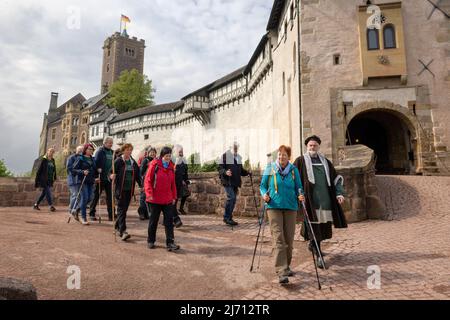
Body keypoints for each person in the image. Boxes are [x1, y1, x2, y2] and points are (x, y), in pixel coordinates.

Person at [293, 135, 347, 269]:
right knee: (314, 225)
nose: (312, 147)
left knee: (323, 226)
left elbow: (336, 178)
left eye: (315, 145)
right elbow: (292, 178)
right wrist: (296, 194)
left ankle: (313, 244)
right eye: (310, 145)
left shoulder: (325, 162)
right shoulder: (300, 161)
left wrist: (339, 193)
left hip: (325, 200)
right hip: (310, 200)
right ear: (307, 147)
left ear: (318, 147)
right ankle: (318, 255)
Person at [260, 145, 304, 284]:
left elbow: (299, 187)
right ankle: (281, 271)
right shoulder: (270, 168)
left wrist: (301, 194)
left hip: (291, 207)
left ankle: (287, 266)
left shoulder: (293, 170)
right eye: (279, 154)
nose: (281, 157)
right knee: (278, 238)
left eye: (284, 155)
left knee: (289, 240)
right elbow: (262, 186)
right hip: (273, 206)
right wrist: (264, 195)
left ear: (288, 157)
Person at [145, 146, 180, 252]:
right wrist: (149, 193)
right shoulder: (155, 165)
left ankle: (170, 243)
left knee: (169, 221)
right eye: (166, 156)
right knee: (153, 221)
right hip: (154, 199)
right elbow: (148, 180)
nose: (168, 158)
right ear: (162, 156)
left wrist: (174, 196)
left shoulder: (171, 166)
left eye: (170, 156)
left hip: (167, 199)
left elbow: (173, 184)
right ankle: (151, 241)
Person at [112, 143, 141, 241]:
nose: (129, 152)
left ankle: (117, 226)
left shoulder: (132, 162)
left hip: (130, 190)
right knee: (121, 210)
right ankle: (123, 231)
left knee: (123, 210)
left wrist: (142, 185)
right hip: (120, 190)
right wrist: (111, 176)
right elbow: (110, 172)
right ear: (123, 150)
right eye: (127, 150)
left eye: (130, 150)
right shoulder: (119, 161)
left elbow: (137, 174)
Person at [218, 142, 250, 226]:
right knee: (231, 197)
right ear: (230, 147)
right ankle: (226, 217)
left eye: (237, 148)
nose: (236, 149)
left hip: (235, 181)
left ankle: (229, 217)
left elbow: (241, 170)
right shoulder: (225, 155)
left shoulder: (238, 157)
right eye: (234, 147)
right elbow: (220, 168)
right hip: (227, 181)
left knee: (233, 199)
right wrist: (225, 172)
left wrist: (247, 172)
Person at [89, 137, 114, 222]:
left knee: (110, 198)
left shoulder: (112, 152)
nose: (111, 144)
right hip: (100, 177)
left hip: (108, 178)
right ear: (105, 143)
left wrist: (112, 173)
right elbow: (94, 163)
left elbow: (113, 164)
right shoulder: (100, 151)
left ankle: (111, 215)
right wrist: (97, 170)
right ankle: (92, 213)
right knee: (96, 196)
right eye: (110, 143)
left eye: (112, 143)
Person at [72, 144, 97, 225]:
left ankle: (76, 210)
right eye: (89, 149)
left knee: (90, 198)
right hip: (82, 181)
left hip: (90, 181)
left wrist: (98, 173)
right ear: (85, 150)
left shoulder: (93, 159)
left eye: (92, 149)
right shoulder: (80, 158)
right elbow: (74, 169)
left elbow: (94, 170)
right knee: (85, 198)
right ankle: (83, 218)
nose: (90, 150)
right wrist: (82, 172)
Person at [33, 148, 57, 212]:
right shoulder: (43, 160)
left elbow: (54, 169)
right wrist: (36, 180)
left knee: (44, 193)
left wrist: (54, 177)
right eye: (50, 151)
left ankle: (36, 205)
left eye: (53, 152)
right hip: (43, 179)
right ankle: (51, 206)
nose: (51, 153)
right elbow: (39, 170)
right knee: (48, 191)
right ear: (47, 152)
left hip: (50, 179)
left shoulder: (52, 160)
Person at [138, 146, 157, 220]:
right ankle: (141, 213)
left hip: (153, 183)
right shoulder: (145, 160)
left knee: (149, 199)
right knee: (143, 199)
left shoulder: (156, 161)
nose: (152, 154)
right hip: (145, 182)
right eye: (151, 152)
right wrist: (142, 184)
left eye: (154, 152)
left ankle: (146, 214)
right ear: (148, 153)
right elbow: (141, 173)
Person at [173, 144, 190, 227]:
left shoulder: (184, 159)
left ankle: (180, 208)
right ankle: (174, 215)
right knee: (175, 198)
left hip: (182, 181)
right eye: (180, 151)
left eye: (182, 151)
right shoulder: (173, 160)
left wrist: (186, 180)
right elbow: (174, 172)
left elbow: (186, 171)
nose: (181, 153)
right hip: (175, 182)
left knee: (185, 194)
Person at [67, 145, 84, 220]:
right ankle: (72, 210)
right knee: (75, 195)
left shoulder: (83, 158)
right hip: (72, 180)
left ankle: (74, 209)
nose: (81, 151)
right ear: (76, 150)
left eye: (82, 150)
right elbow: (69, 168)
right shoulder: (71, 157)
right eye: (79, 150)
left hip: (79, 180)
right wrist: (80, 171)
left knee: (79, 196)